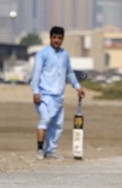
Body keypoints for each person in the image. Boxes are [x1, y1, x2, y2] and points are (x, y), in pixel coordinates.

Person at [30, 26, 85, 160]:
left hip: (58, 96)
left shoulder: (65, 55)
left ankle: (51, 151)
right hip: (44, 95)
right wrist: (36, 92)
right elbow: (36, 74)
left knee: (58, 125)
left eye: (59, 38)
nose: (57, 40)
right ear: (50, 38)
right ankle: (40, 149)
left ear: (62, 39)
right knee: (45, 120)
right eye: (54, 37)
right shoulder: (42, 54)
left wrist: (78, 87)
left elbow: (70, 73)